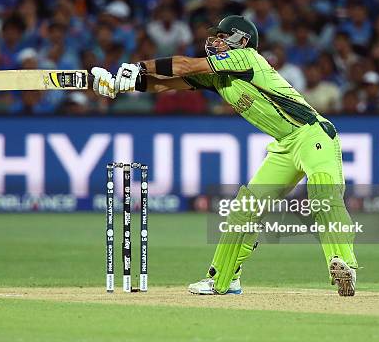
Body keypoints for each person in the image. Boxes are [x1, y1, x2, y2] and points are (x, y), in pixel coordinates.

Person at [91, 15, 358, 296]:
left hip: (313, 134)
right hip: (285, 144)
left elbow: (184, 65)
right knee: (245, 209)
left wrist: (138, 66)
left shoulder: (246, 58)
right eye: (214, 36)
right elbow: (166, 83)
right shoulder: (218, 77)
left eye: (222, 36)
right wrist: (120, 84)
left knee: (322, 191)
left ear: (241, 41)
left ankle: (344, 265)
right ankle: (224, 280)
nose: (215, 41)